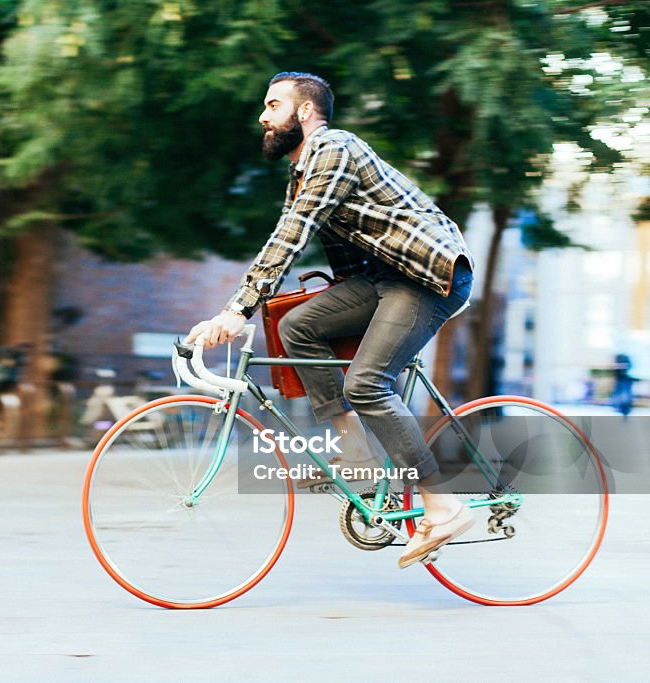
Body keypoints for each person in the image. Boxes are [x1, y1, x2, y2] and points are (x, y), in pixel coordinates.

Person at [184, 72, 475, 568]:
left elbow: (291, 235)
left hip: (429, 277)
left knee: (367, 384)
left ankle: (444, 506)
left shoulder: (334, 147)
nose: (262, 116)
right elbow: (308, 240)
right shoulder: (301, 172)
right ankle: (356, 453)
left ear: (303, 112)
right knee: (298, 326)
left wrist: (236, 309)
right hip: (384, 280)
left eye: (272, 105)